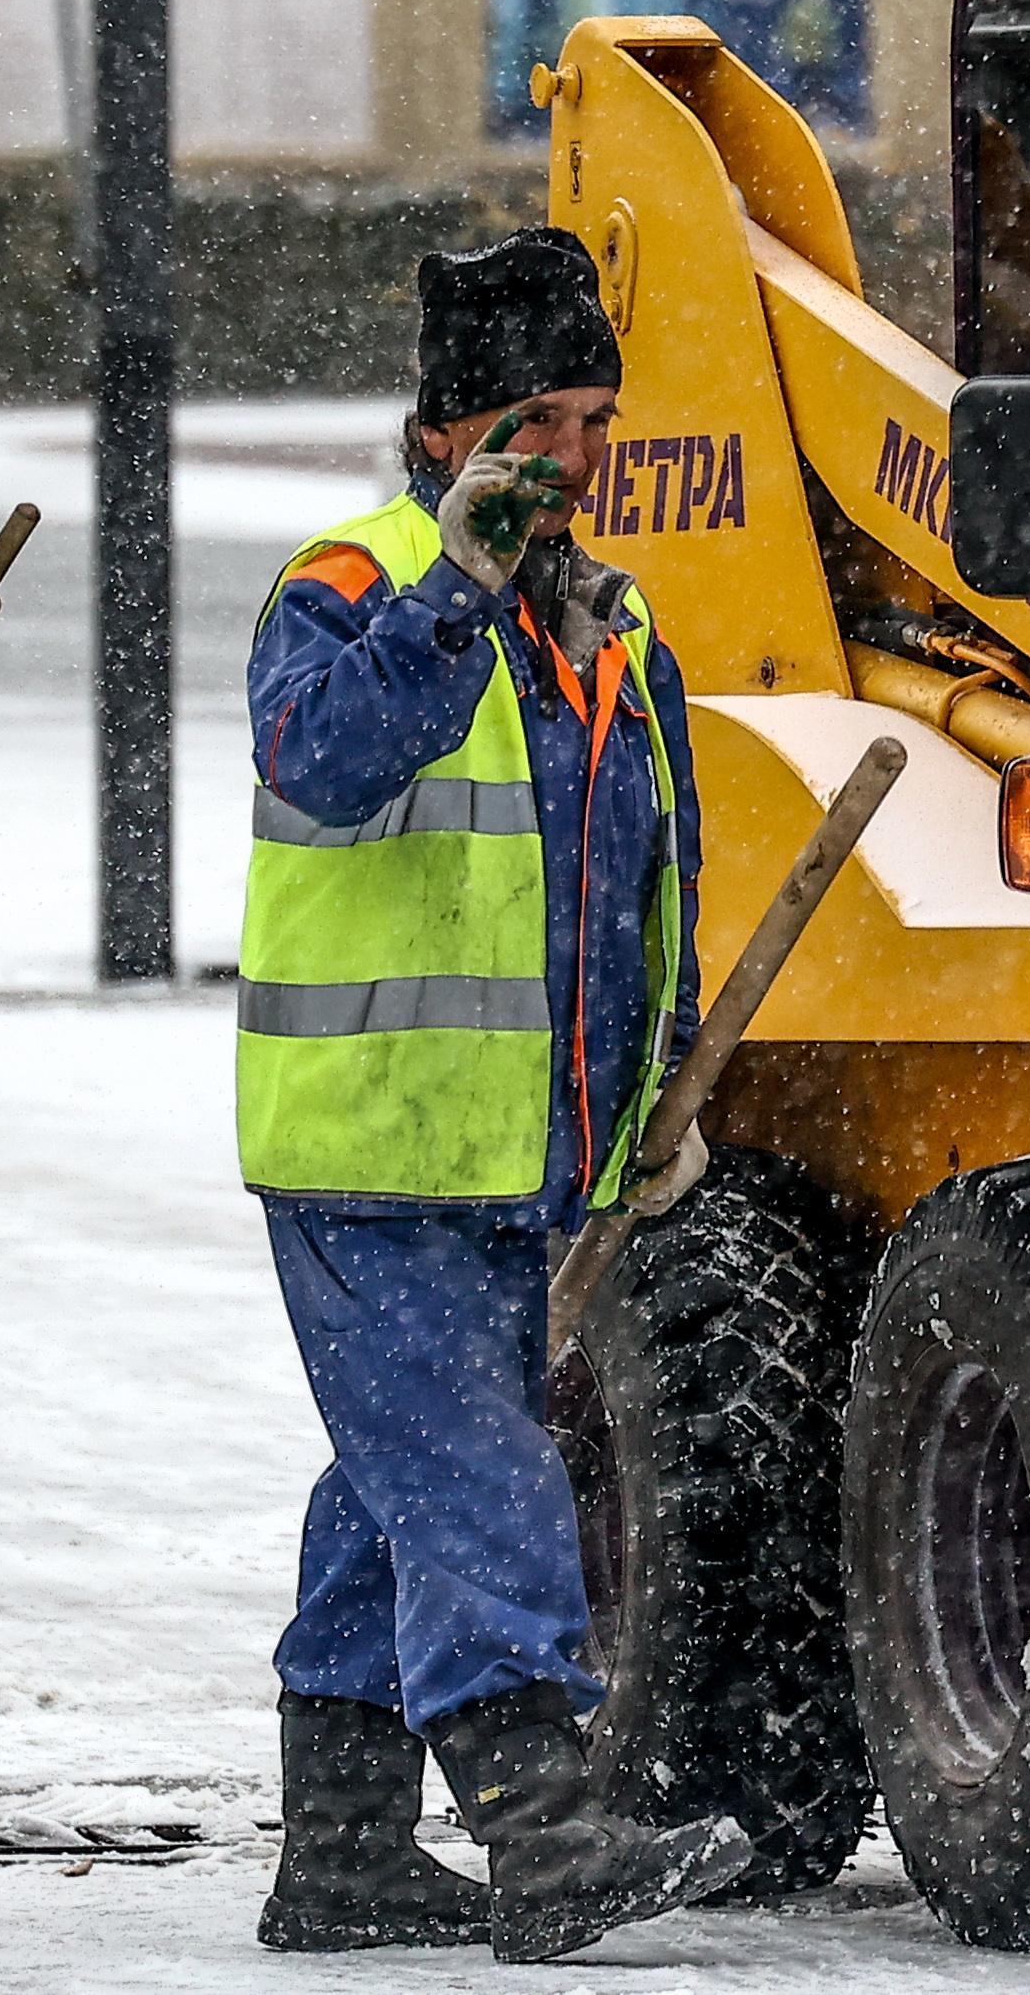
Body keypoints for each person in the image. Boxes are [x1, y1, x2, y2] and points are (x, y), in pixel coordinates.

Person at [239, 226, 749, 1962]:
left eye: (599, 415)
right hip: (367, 1143)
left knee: (392, 1486)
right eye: (545, 416)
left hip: (529, 1154)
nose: (581, 457)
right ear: (455, 430)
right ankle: (546, 1825)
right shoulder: (352, 583)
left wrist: (662, 1083)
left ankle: (346, 1850)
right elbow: (319, 764)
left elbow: (649, 864)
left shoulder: (606, 621)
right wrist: (452, 594)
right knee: (477, 1467)